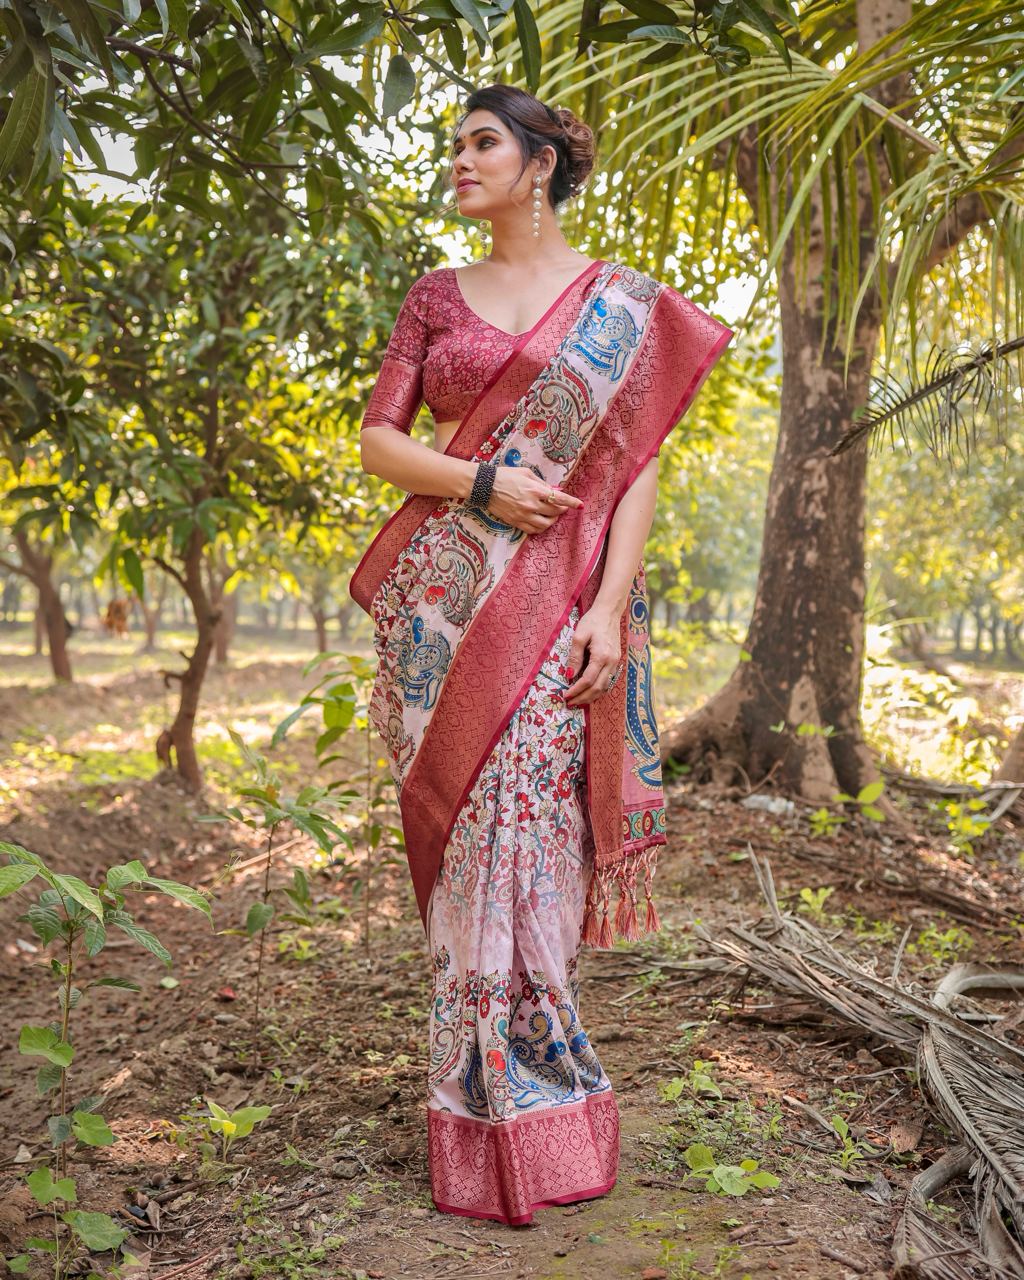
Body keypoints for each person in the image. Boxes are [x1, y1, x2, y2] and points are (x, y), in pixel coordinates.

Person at [349, 82, 734, 1226]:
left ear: (542, 162)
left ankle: (546, 1087)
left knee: (536, 842)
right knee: (469, 850)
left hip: (563, 612)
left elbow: (635, 465)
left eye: (481, 144)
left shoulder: (619, 304)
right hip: (444, 623)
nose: (459, 161)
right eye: (454, 145)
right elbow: (378, 439)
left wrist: (608, 607)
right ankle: (472, 1100)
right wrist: (479, 478)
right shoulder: (433, 297)